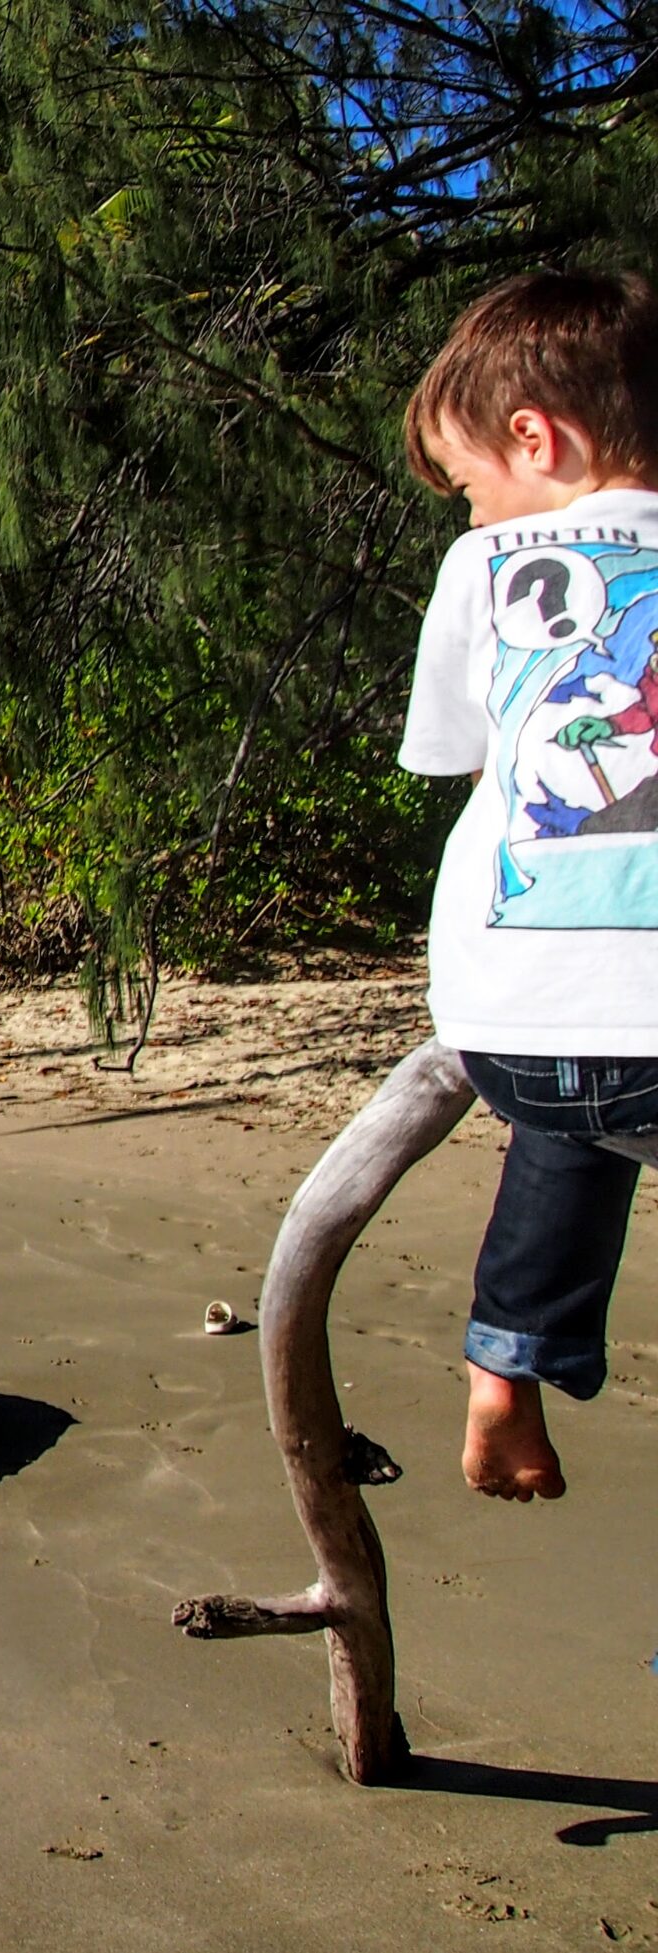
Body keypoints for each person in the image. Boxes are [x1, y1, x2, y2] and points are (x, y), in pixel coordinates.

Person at [397, 267, 658, 1502]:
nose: (470, 519)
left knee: (569, 1103)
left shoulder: (483, 572)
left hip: (507, 1020)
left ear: (532, 438)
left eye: (466, 489)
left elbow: (449, 758)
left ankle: (508, 1356)